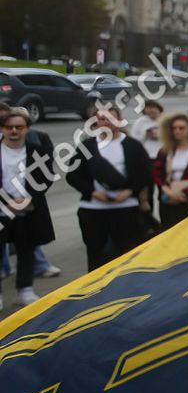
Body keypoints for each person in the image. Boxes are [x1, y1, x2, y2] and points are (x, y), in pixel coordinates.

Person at [66, 101, 152, 271]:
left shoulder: (132, 146)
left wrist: (130, 191)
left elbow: (146, 173)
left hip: (126, 207)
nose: (106, 122)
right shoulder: (87, 146)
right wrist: (91, 192)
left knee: (126, 253)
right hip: (93, 208)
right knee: (96, 254)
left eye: (110, 118)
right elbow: (73, 175)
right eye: (102, 119)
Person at [0, 108, 55, 311]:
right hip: (2, 208)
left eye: (19, 127)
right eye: (9, 127)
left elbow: (47, 176)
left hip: (28, 208)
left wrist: (29, 197)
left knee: (27, 249)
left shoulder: (36, 150)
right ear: (2, 129)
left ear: (27, 129)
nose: (14, 130)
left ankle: (25, 290)